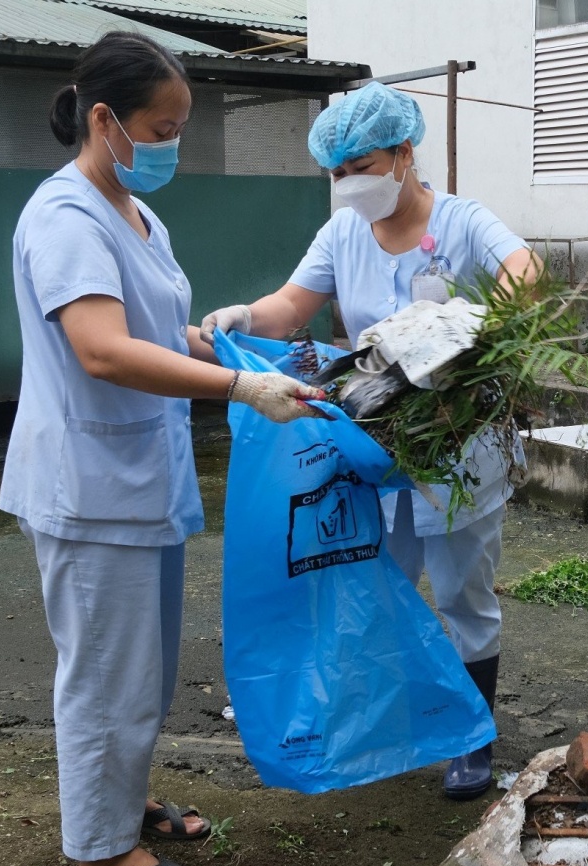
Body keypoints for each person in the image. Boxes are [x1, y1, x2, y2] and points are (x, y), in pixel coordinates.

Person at [0, 32, 325, 866]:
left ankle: (124, 799)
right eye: (162, 126)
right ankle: (101, 853)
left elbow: (150, 330)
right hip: (88, 482)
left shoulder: (139, 214)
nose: (173, 144)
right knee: (106, 668)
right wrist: (235, 385)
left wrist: (243, 351)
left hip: (140, 471)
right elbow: (102, 351)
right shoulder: (66, 218)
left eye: (182, 127)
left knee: (138, 662)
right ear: (105, 120)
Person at [201, 82, 540, 801]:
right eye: (337, 170)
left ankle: (473, 738)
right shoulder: (343, 233)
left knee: (463, 594)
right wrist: (241, 313)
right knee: (372, 580)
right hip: (372, 443)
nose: (350, 181)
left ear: (404, 152)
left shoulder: (462, 223)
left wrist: (472, 330)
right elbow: (293, 304)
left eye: (362, 163)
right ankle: (388, 722)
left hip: (455, 446)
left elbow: (525, 272)